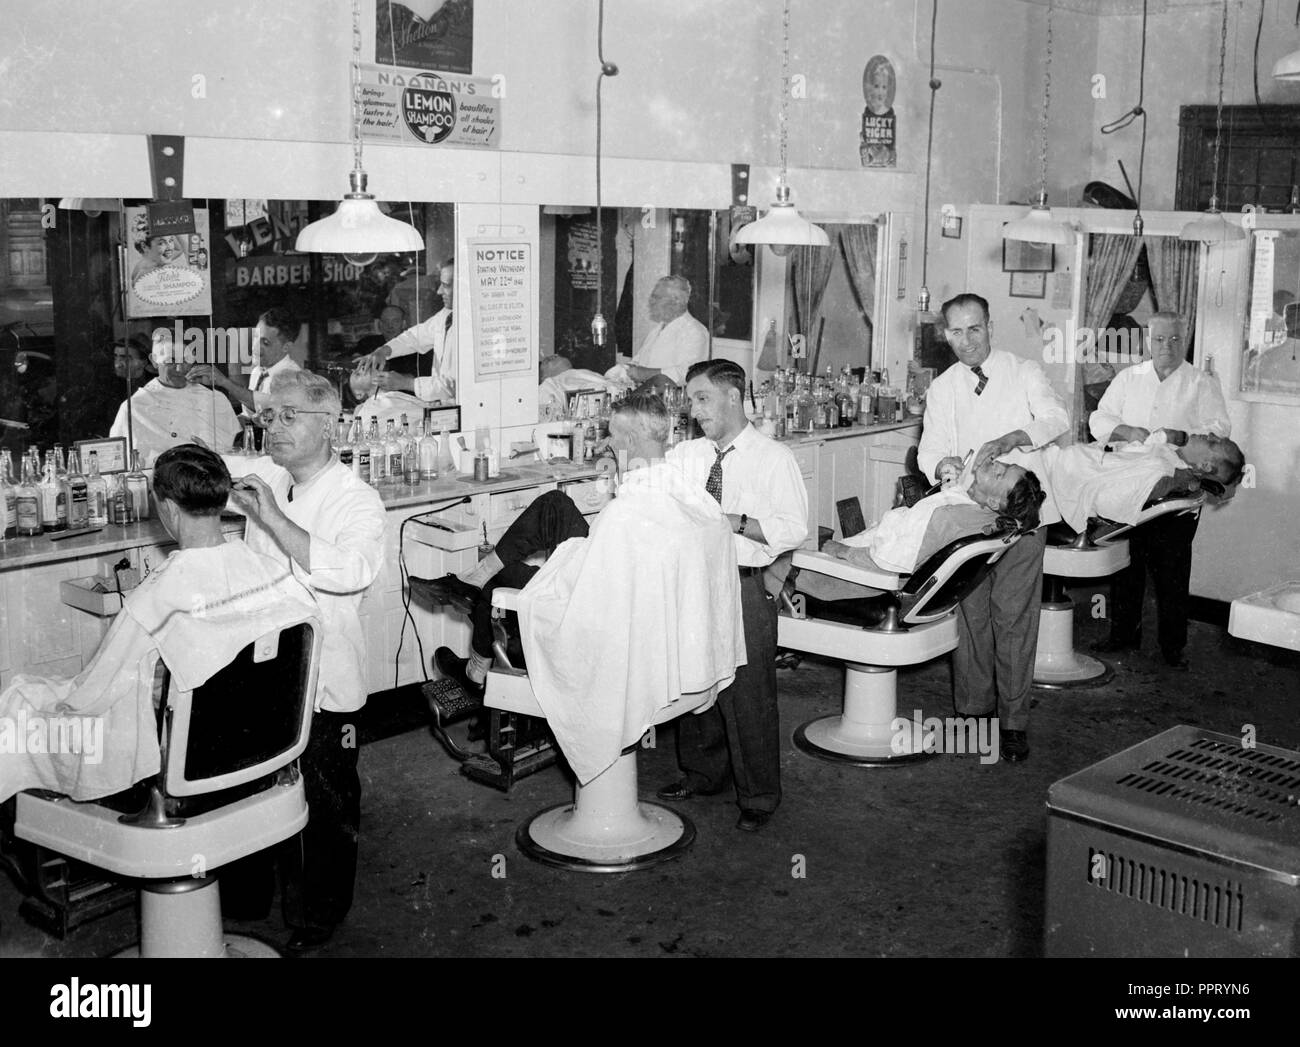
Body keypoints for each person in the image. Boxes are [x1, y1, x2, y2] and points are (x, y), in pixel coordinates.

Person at [437, 395, 745, 785]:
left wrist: (560, 567)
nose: (605, 446)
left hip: (609, 628)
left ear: (630, 442)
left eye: (612, 435)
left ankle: (476, 661)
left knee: (505, 585)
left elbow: (586, 593)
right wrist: (577, 553)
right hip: (667, 632)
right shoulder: (691, 495)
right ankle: (476, 588)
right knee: (555, 506)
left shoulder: (625, 514)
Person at [0, 445, 317, 805]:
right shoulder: (274, 576)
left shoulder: (152, 602)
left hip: (177, 757)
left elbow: (91, 696)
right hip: (254, 747)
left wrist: (33, 697)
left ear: (165, 506)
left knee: (18, 702)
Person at [219, 369, 386, 952]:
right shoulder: (265, 473)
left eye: (289, 416)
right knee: (251, 785)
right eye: (268, 415)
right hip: (262, 667)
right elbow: (203, 473)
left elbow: (351, 572)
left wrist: (273, 519)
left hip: (323, 675)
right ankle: (247, 899)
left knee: (325, 802)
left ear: (329, 423)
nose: (274, 427)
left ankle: (319, 916)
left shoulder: (356, 500)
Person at [918, 292, 1070, 764]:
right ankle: (973, 712)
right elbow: (928, 451)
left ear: (990, 326)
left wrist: (1012, 438)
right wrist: (939, 461)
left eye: (975, 329)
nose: (967, 341)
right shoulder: (942, 388)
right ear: (945, 335)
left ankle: (1014, 721)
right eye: (957, 332)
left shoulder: (1022, 371)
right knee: (972, 615)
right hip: (972, 514)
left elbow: (1057, 418)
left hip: (1023, 514)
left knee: (1014, 617)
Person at [657, 359, 808, 831]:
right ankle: (704, 773)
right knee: (696, 679)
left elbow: (792, 529)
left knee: (748, 693)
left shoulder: (773, 458)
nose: (693, 408)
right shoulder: (686, 456)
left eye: (701, 398)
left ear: (733, 397)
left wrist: (733, 520)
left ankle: (759, 796)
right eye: (690, 398)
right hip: (694, 580)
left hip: (744, 582)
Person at [1088, 312, 1233, 668]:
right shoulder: (1128, 378)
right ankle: (1123, 636)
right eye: (1158, 340)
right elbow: (1098, 420)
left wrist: (1180, 436)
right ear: (1145, 342)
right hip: (1131, 486)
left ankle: (1173, 647)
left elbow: (1220, 428)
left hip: (1176, 489)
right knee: (1126, 565)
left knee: (1172, 569)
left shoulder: (1200, 382)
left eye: (1174, 340)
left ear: (1184, 340)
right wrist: (1124, 430)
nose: (1166, 347)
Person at [822, 457, 1046, 575]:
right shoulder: (979, 513)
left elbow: (885, 561)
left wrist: (839, 549)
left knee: (790, 566)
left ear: (995, 502)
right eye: (1006, 465)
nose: (998, 463)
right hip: (871, 549)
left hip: (864, 572)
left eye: (1000, 474)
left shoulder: (949, 519)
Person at [1045, 433, 1244, 536]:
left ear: (1205, 465)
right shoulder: (1169, 459)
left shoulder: (1161, 470)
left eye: (1213, 443)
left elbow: (1108, 501)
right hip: (1066, 464)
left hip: (1060, 474)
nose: (1209, 434)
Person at [109, 328, 240, 466]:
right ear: (154, 361)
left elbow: (235, 452)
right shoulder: (135, 407)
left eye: (185, 360)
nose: (179, 369)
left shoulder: (215, 399)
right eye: (170, 361)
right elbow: (117, 461)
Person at [355, 258, 456, 403]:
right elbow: (415, 337)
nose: (439, 291)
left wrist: (407, 383)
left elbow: (453, 385)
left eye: (445, 285)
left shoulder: (473, 330)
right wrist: (384, 350)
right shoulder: (446, 315)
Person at [187, 307, 303, 426]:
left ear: (286, 347)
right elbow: (250, 417)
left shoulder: (294, 377)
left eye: (265, 343)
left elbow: (268, 410)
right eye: (255, 338)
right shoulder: (258, 371)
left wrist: (224, 382)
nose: (255, 347)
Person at [618, 276, 709, 389]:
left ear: (677, 301)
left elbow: (688, 373)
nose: (651, 301)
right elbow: (639, 360)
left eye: (657, 297)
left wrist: (645, 374)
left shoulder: (695, 331)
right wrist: (627, 368)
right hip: (646, 395)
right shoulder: (657, 330)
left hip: (671, 400)